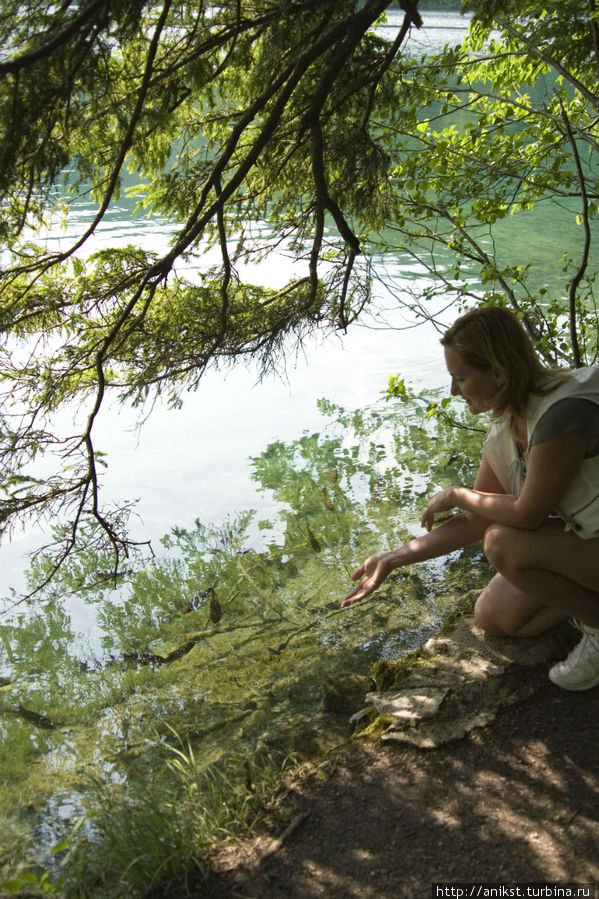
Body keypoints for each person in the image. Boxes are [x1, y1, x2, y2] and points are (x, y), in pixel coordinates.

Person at [342, 305, 599, 691]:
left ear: (498, 372)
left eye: (459, 377)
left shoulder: (563, 413)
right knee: (495, 616)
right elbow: (477, 519)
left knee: (504, 543)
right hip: (588, 538)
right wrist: (394, 558)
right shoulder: (508, 421)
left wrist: (458, 494)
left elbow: (527, 516)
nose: (452, 390)